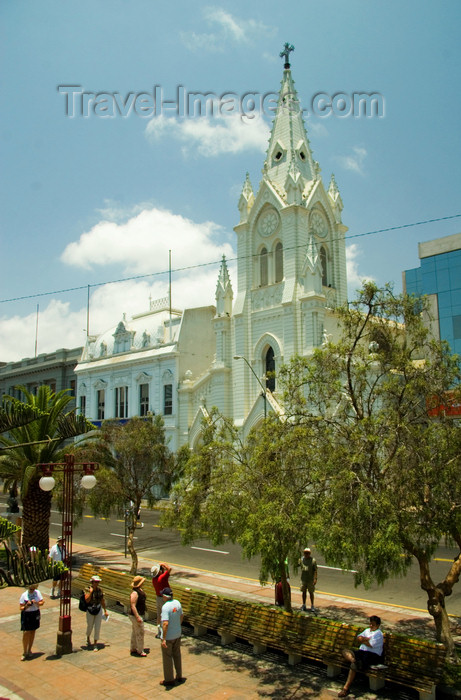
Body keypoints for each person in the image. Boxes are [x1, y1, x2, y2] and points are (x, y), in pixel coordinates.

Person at [338, 615, 385, 697]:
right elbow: (358, 638)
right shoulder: (367, 630)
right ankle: (353, 659)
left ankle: (345, 688)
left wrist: (363, 640)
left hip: (372, 655)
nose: (371, 626)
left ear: (377, 625)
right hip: (361, 652)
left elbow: (370, 645)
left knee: (354, 665)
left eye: (373, 625)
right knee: (345, 651)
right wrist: (365, 639)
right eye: (370, 624)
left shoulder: (378, 634)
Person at [159, 587, 185, 687]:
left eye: (163, 595)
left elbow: (165, 623)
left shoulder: (165, 607)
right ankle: (179, 675)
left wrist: (164, 638)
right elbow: (181, 615)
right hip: (177, 634)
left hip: (169, 636)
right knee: (177, 655)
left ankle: (169, 679)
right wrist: (177, 626)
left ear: (165, 596)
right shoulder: (177, 603)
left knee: (167, 657)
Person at [19, 583, 44, 660]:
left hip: (35, 613)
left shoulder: (37, 593)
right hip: (27, 614)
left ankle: (29, 649)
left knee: (33, 631)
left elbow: (42, 602)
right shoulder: (24, 595)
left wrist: (36, 603)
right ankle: (24, 651)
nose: (32, 590)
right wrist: (26, 605)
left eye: (33, 589)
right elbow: (21, 607)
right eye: (31, 589)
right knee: (26, 632)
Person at [84, 575, 108, 650]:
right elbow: (87, 600)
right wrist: (91, 592)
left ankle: (95, 643)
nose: (96, 584)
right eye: (95, 582)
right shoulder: (87, 589)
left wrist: (105, 610)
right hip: (90, 610)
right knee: (90, 626)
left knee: (97, 627)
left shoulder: (100, 590)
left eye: (98, 582)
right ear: (92, 582)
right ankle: (88, 637)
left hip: (98, 609)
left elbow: (102, 600)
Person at [151, 562, 172, 638]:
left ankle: (159, 632)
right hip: (165, 599)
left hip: (158, 598)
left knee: (159, 615)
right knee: (166, 616)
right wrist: (164, 564)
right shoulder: (162, 578)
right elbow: (169, 569)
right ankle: (166, 632)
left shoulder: (154, 580)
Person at [129, 575, 147, 657]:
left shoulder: (139, 590)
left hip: (139, 613)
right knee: (140, 632)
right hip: (136, 615)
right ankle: (140, 650)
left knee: (135, 631)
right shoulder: (135, 593)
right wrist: (137, 617)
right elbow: (133, 605)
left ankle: (133, 647)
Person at [300, 547, 318, 612]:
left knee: (311, 592)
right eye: (305, 553)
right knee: (303, 592)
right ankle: (304, 604)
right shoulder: (301, 560)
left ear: (309, 553)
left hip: (310, 579)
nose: (306, 554)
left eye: (307, 553)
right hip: (303, 579)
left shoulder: (313, 560)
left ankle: (312, 605)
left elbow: (315, 570)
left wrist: (315, 579)